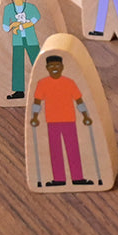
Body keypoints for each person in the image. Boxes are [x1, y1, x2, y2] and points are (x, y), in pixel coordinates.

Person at [31, 55, 94, 186]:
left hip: (69, 120)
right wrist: (35, 117)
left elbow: (79, 100)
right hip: (52, 122)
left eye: (57, 66)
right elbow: (37, 102)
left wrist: (85, 115)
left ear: (62, 67)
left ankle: (78, 178)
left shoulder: (69, 82)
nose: (55, 68)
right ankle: (59, 179)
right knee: (55, 151)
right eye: (51, 66)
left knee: (73, 148)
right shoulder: (42, 83)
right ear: (47, 68)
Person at [2, 0, 41, 99]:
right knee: (18, 64)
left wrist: (20, 25)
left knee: (37, 61)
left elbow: (36, 18)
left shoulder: (30, 7)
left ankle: (44, 86)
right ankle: (19, 91)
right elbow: (4, 26)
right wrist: (12, 26)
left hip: (31, 39)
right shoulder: (8, 9)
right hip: (17, 40)